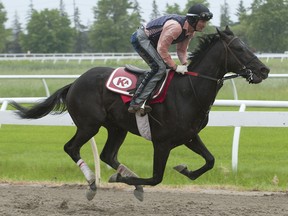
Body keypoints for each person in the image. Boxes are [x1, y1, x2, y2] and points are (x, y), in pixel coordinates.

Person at [128, 3, 213, 114]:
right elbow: (162, 49)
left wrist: (185, 64)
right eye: (202, 21)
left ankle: (152, 98)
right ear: (194, 20)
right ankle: (137, 102)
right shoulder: (176, 27)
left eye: (205, 22)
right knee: (159, 68)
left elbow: (181, 50)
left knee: (166, 68)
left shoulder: (190, 32)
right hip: (141, 38)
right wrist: (175, 66)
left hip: (152, 41)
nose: (204, 25)